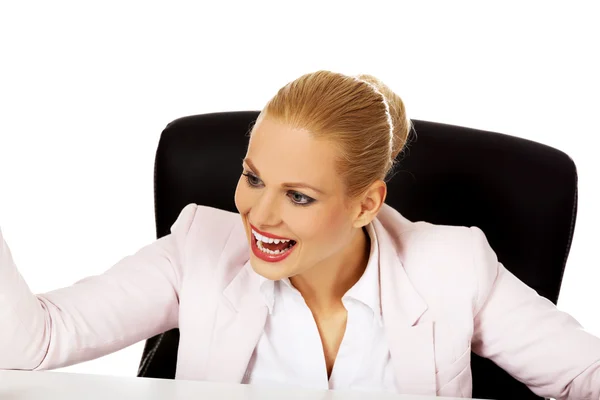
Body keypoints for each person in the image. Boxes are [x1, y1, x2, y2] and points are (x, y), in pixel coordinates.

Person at [0, 70, 598, 399]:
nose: (259, 216)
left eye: (299, 196)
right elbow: (36, 345)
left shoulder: (452, 266)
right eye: (253, 178)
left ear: (367, 203)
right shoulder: (199, 248)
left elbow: (583, 375)